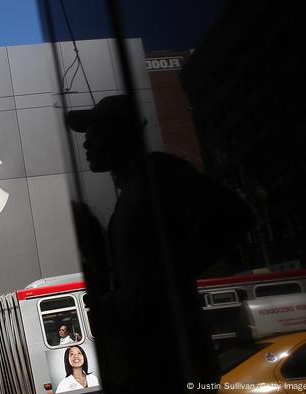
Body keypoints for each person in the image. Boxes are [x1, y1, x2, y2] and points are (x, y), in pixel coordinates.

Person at [67, 95, 253, 392]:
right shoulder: (132, 195)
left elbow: (235, 216)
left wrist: (154, 285)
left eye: (95, 134)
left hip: (172, 367)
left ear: (122, 135)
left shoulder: (158, 174)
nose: (86, 144)